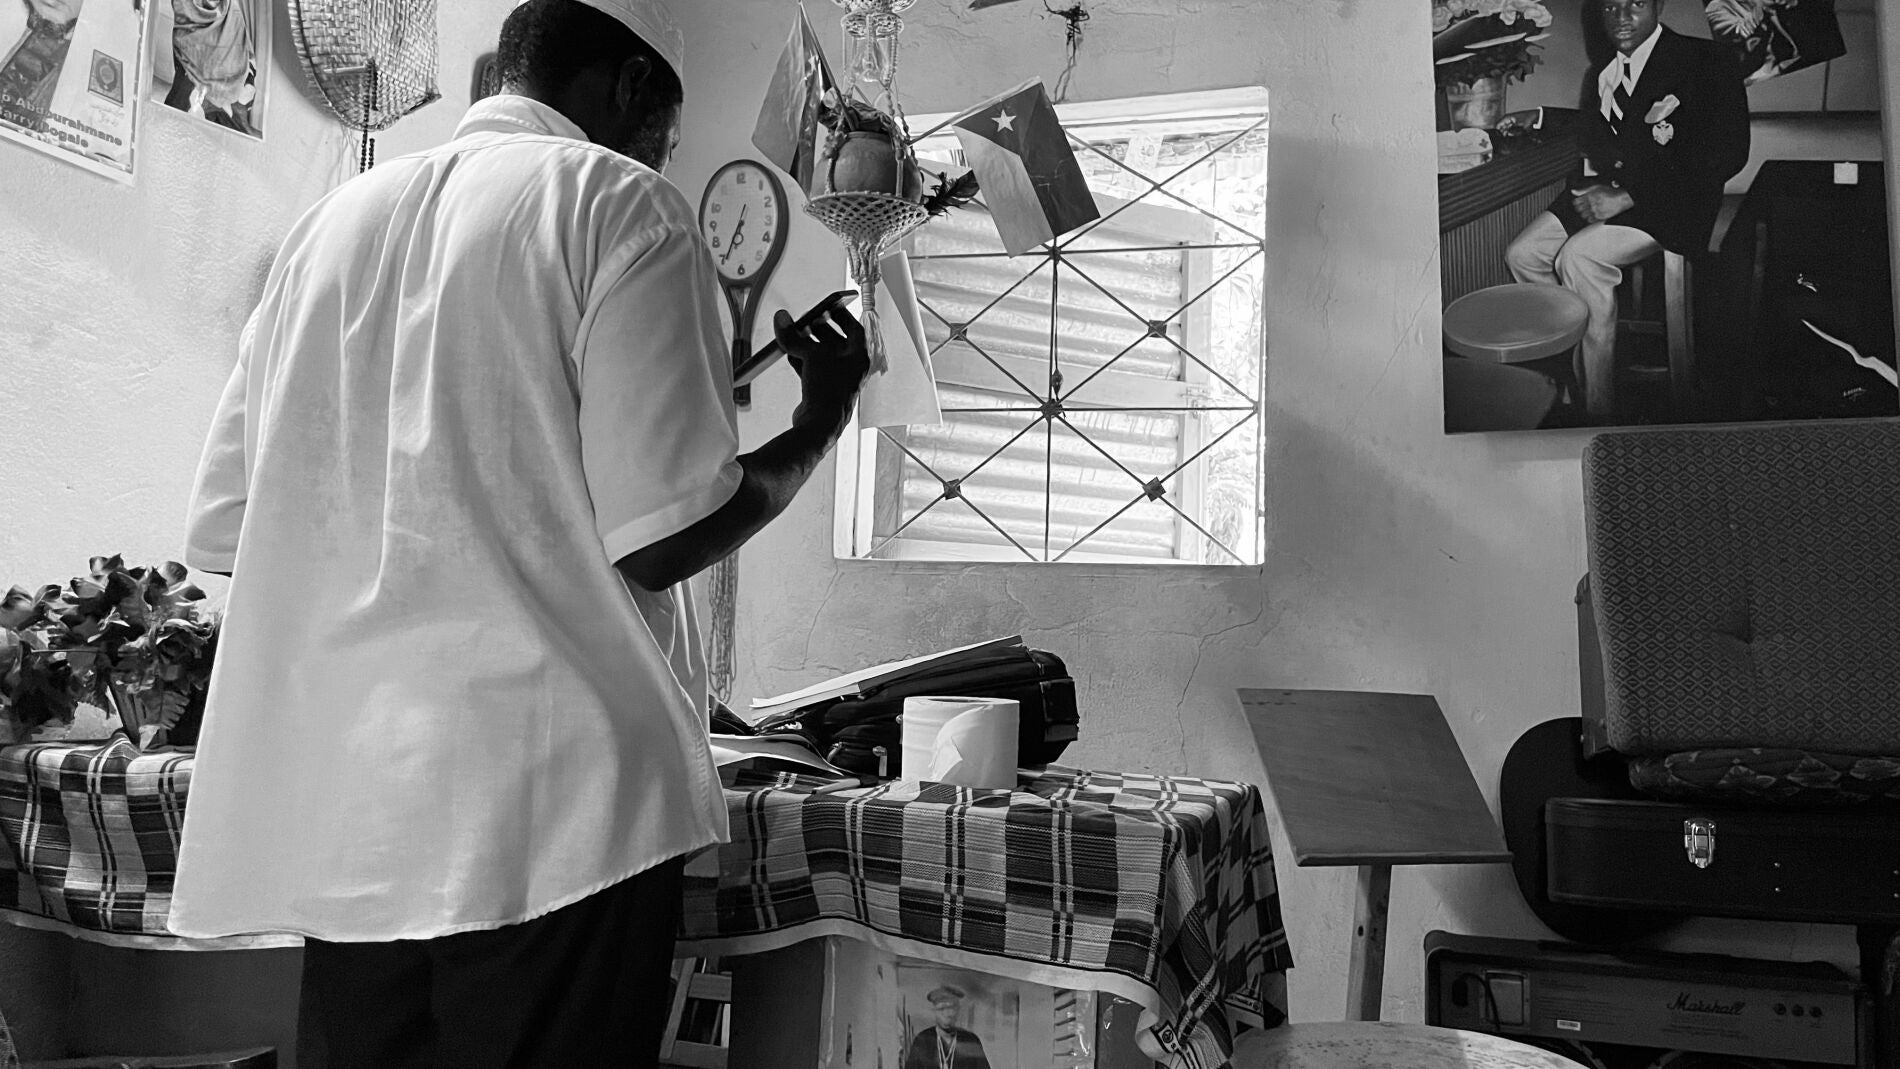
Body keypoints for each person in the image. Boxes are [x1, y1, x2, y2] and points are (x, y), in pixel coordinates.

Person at [171, 0, 869, 1065]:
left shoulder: (327, 227)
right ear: (629, 88)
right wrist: (819, 419)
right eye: (668, 132)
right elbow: (664, 539)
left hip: (356, 811)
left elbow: (234, 529)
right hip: (550, 812)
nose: (660, 154)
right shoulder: (617, 202)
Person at [1503, 0, 1749, 422]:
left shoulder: (1707, 59)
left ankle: (1597, 411)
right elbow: (1607, 125)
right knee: (1522, 255)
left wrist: (1632, 194)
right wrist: (1540, 117)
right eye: (1611, 6)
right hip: (1610, 192)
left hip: (1674, 203)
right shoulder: (1602, 71)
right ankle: (1572, 369)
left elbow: (1728, 152)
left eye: (1635, 3)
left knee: (1578, 258)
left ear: (1658, 5)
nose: (1621, 16)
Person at [903, 986, 993, 1069]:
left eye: (951, 1008)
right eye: (942, 1009)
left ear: (958, 1010)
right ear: (934, 1011)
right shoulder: (922, 1040)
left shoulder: (971, 1040)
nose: (947, 1014)